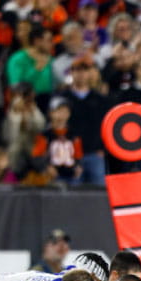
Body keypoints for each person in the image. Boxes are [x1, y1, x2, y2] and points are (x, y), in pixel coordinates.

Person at [61, 55, 109, 185]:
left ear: (90, 73)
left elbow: (106, 126)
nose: (81, 74)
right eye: (77, 70)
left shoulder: (100, 99)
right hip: (69, 154)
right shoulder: (62, 98)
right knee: (71, 195)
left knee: (99, 195)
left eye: (84, 70)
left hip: (94, 153)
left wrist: (102, 148)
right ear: (71, 72)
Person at [29, 95, 83, 184]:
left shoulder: (74, 135)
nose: (62, 114)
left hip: (71, 176)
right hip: (52, 177)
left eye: (65, 111)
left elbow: (78, 154)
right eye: (59, 110)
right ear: (51, 113)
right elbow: (36, 156)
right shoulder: (44, 135)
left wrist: (79, 166)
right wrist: (46, 167)